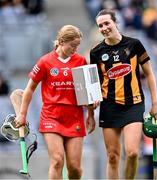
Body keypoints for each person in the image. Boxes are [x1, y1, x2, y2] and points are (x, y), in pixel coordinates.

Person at [14, 25, 96, 179]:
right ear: (61, 41)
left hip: (75, 117)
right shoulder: (45, 61)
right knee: (57, 161)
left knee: (75, 168)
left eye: (77, 46)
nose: (75, 49)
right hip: (52, 117)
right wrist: (22, 115)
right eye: (72, 45)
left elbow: (87, 94)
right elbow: (30, 89)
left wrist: (90, 114)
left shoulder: (81, 61)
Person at [89, 9, 157, 179]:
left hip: (134, 104)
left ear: (115, 22)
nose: (104, 28)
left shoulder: (134, 44)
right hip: (109, 107)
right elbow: (94, 84)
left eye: (107, 23)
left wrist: (155, 103)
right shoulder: (96, 52)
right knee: (113, 157)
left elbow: (150, 74)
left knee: (132, 153)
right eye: (100, 25)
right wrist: (91, 113)